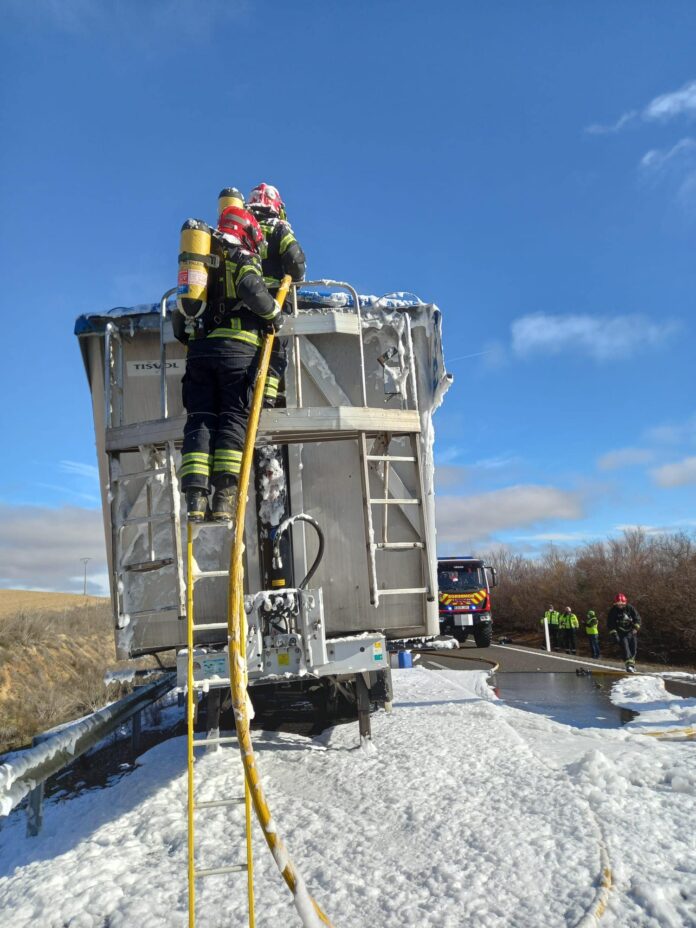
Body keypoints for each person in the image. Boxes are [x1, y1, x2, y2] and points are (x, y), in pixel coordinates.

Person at [178, 195, 281, 522]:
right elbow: (251, 288)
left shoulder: (200, 263)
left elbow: (180, 321)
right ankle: (224, 498)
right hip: (237, 354)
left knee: (201, 419)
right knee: (233, 420)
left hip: (199, 355)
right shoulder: (240, 256)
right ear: (247, 233)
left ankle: (196, 498)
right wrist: (274, 313)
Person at [247, 183, 306, 406]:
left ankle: (250, 396)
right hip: (276, 302)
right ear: (277, 207)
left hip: (246, 301)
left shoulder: (243, 230)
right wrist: (294, 283)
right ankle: (268, 399)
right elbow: (296, 262)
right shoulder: (279, 229)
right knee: (275, 351)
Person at [607, 593, 641, 673]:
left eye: (621, 604)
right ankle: (628, 666)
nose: (620, 606)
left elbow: (637, 618)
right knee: (626, 649)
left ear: (624, 602)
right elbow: (610, 623)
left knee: (633, 649)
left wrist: (636, 627)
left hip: (631, 631)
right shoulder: (613, 611)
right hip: (621, 633)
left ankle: (632, 665)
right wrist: (614, 634)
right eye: (618, 604)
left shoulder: (630, 608)